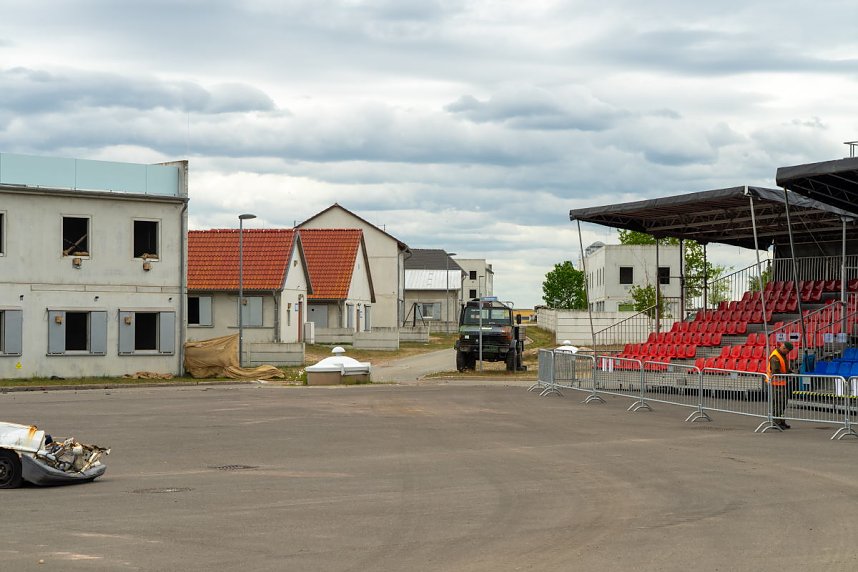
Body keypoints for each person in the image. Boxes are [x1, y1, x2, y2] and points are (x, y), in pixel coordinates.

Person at [767, 341, 793, 429]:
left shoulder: (781, 355)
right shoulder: (775, 357)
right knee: (778, 403)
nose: (788, 353)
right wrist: (787, 374)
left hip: (781, 383)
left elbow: (783, 367)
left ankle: (781, 421)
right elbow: (776, 372)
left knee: (783, 402)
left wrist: (789, 371)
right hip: (776, 383)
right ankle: (776, 422)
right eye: (787, 351)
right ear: (783, 348)